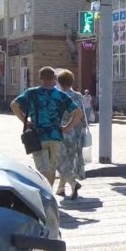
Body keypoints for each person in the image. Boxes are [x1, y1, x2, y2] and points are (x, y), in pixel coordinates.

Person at [10, 66, 83, 188]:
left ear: (40, 78)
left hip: (38, 136)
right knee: (51, 168)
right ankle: (49, 194)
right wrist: (67, 127)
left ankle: (46, 195)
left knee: (43, 169)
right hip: (56, 135)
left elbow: (14, 105)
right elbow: (78, 113)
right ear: (54, 78)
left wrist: (25, 121)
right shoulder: (60, 95)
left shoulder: (31, 93)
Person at [56, 70, 89, 200]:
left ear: (59, 82)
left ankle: (73, 184)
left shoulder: (58, 96)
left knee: (58, 161)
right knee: (69, 161)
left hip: (63, 130)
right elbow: (83, 114)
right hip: (77, 132)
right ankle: (60, 188)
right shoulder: (79, 96)